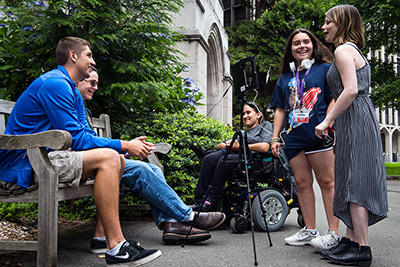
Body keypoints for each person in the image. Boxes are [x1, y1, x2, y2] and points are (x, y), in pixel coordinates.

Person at [0, 37, 164, 266]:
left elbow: (84, 135)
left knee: (116, 159)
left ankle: (102, 238)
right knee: (110, 158)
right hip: (26, 162)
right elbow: (76, 140)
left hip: (45, 155)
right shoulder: (54, 83)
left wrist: (121, 150)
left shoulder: (71, 90)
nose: (93, 61)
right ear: (73, 56)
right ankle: (117, 247)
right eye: (89, 55)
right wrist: (125, 144)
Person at [77, 67, 226, 250]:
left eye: (97, 83)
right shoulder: (66, 101)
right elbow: (80, 142)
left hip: (101, 160)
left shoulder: (84, 110)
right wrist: (124, 146)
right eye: (92, 82)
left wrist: (124, 151)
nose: (96, 87)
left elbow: (93, 144)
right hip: (87, 164)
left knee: (153, 169)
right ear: (78, 80)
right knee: (143, 169)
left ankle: (170, 224)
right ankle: (186, 216)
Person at [315, 5, 388, 266]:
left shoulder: (343, 50)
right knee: (347, 179)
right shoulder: (350, 50)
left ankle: (362, 250)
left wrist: (327, 120)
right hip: (354, 120)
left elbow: (351, 90)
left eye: (328, 22)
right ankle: (350, 241)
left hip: (355, 118)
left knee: (354, 182)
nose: (323, 27)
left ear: (342, 23)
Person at [269, 28, 340, 251]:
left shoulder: (325, 69)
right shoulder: (285, 77)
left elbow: (333, 98)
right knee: (302, 184)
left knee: (327, 183)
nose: (301, 46)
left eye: (306, 42)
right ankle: (310, 229)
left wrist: (327, 123)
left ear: (313, 45)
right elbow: (280, 109)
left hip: (319, 133)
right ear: (290, 49)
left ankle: (334, 233)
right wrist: (274, 138)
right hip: (294, 137)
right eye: (296, 43)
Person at [192, 102, 273, 211]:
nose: (245, 116)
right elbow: (219, 146)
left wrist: (241, 147)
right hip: (235, 154)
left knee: (225, 160)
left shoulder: (265, 126)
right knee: (208, 159)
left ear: (258, 115)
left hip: (253, 159)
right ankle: (199, 200)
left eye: (248, 113)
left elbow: (264, 147)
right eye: (243, 114)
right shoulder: (242, 133)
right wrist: (228, 144)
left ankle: (211, 200)